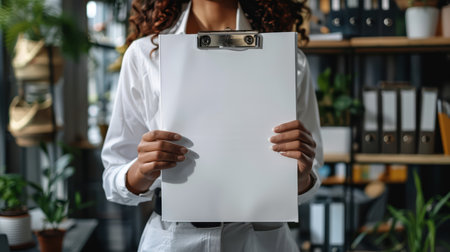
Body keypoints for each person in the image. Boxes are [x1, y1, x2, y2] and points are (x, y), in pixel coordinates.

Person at [102, 0, 323, 251]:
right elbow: (113, 178)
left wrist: (301, 177)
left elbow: (311, 175)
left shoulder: (289, 60)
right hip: (175, 240)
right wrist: (142, 170)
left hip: (263, 240)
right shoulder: (145, 55)